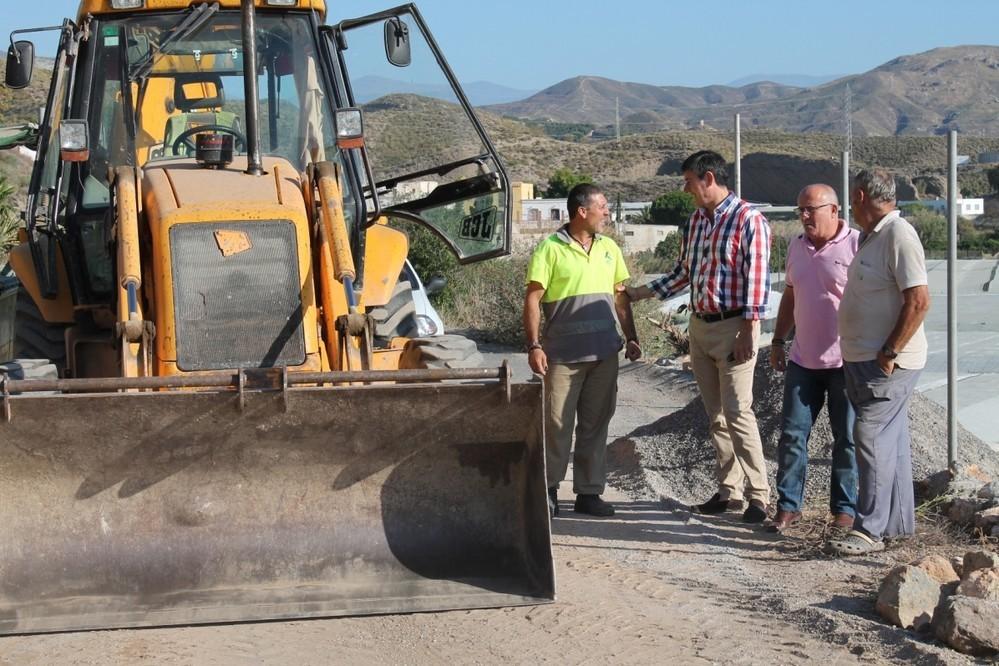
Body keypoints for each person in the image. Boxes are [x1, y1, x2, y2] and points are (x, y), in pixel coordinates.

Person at [624, 150, 771, 523]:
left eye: (689, 181)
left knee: (739, 412)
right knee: (716, 415)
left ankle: (759, 496)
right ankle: (729, 492)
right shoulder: (694, 223)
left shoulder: (748, 220)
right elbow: (683, 274)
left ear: (708, 178)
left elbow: (757, 281)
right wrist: (638, 293)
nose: (686, 188)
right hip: (701, 327)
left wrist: (749, 329)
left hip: (734, 326)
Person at [827, 169, 930, 556]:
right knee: (892, 442)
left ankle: (868, 529)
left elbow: (918, 300)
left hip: (885, 363)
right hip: (862, 359)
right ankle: (898, 527)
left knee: (869, 438)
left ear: (858, 195)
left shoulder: (899, 235)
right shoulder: (874, 236)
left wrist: (889, 352)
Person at [523, 183, 641, 518]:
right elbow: (533, 297)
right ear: (582, 211)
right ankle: (547, 492)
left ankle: (589, 493)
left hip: (604, 354)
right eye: (602, 206)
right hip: (562, 357)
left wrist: (631, 337)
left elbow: (620, 296)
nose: (607, 212)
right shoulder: (549, 249)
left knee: (595, 424)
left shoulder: (609, 248)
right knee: (556, 426)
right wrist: (534, 345)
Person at [768, 184, 859, 533]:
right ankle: (789, 507)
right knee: (792, 435)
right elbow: (790, 295)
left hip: (845, 362)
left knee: (846, 439)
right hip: (803, 361)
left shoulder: (856, 244)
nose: (804, 216)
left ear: (834, 210)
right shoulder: (797, 246)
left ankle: (844, 512)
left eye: (811, 209)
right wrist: (778, 339)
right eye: (800, 210)